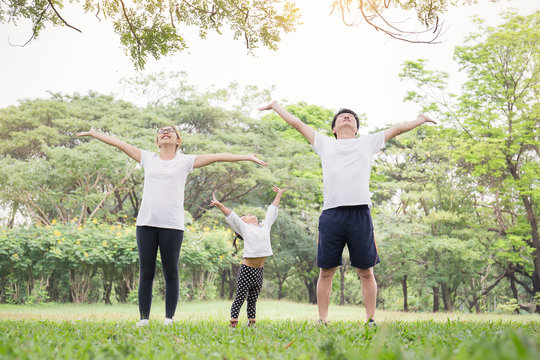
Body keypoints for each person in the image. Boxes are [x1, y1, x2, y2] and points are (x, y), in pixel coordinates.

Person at [259, 100, 435, 327]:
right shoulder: (323, 144)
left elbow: (397, 129)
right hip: (331, 215)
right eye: (341, 116)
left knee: (366, 270)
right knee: (326, 271)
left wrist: (421, 120)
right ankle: (322, 320)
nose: (346, 117)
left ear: (357, 129)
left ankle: (370, 320)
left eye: (351, 116)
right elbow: (297, 124)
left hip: (360, 214)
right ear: (333, 129)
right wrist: (275, 106)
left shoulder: (367, 143)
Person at [76, 126, 267, 327]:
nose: (165, 132)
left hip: (172, 225)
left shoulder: (184, 161)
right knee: (146, 272)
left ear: (178, 141)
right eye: (161, 131)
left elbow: (217, 156)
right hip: (146, 224)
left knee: (171, 272)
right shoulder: (147, 158)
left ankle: (169, 319)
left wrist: (246, 157)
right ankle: (144, 319)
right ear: (157, 141)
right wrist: (93, 133)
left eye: (170, 131)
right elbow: (118, 142)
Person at [210, 185, 288, 328]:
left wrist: (279, 194)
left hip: (259, 271)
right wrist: (220, 205)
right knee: (240, 297)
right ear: (242, 223)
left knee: (253, 299)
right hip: (247, 269)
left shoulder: (265, 226)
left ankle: (251, 323)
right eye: (245, 216)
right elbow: (231, 216)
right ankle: (233, 323)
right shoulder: (245, 229)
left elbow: (272, 210)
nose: (250, 214)